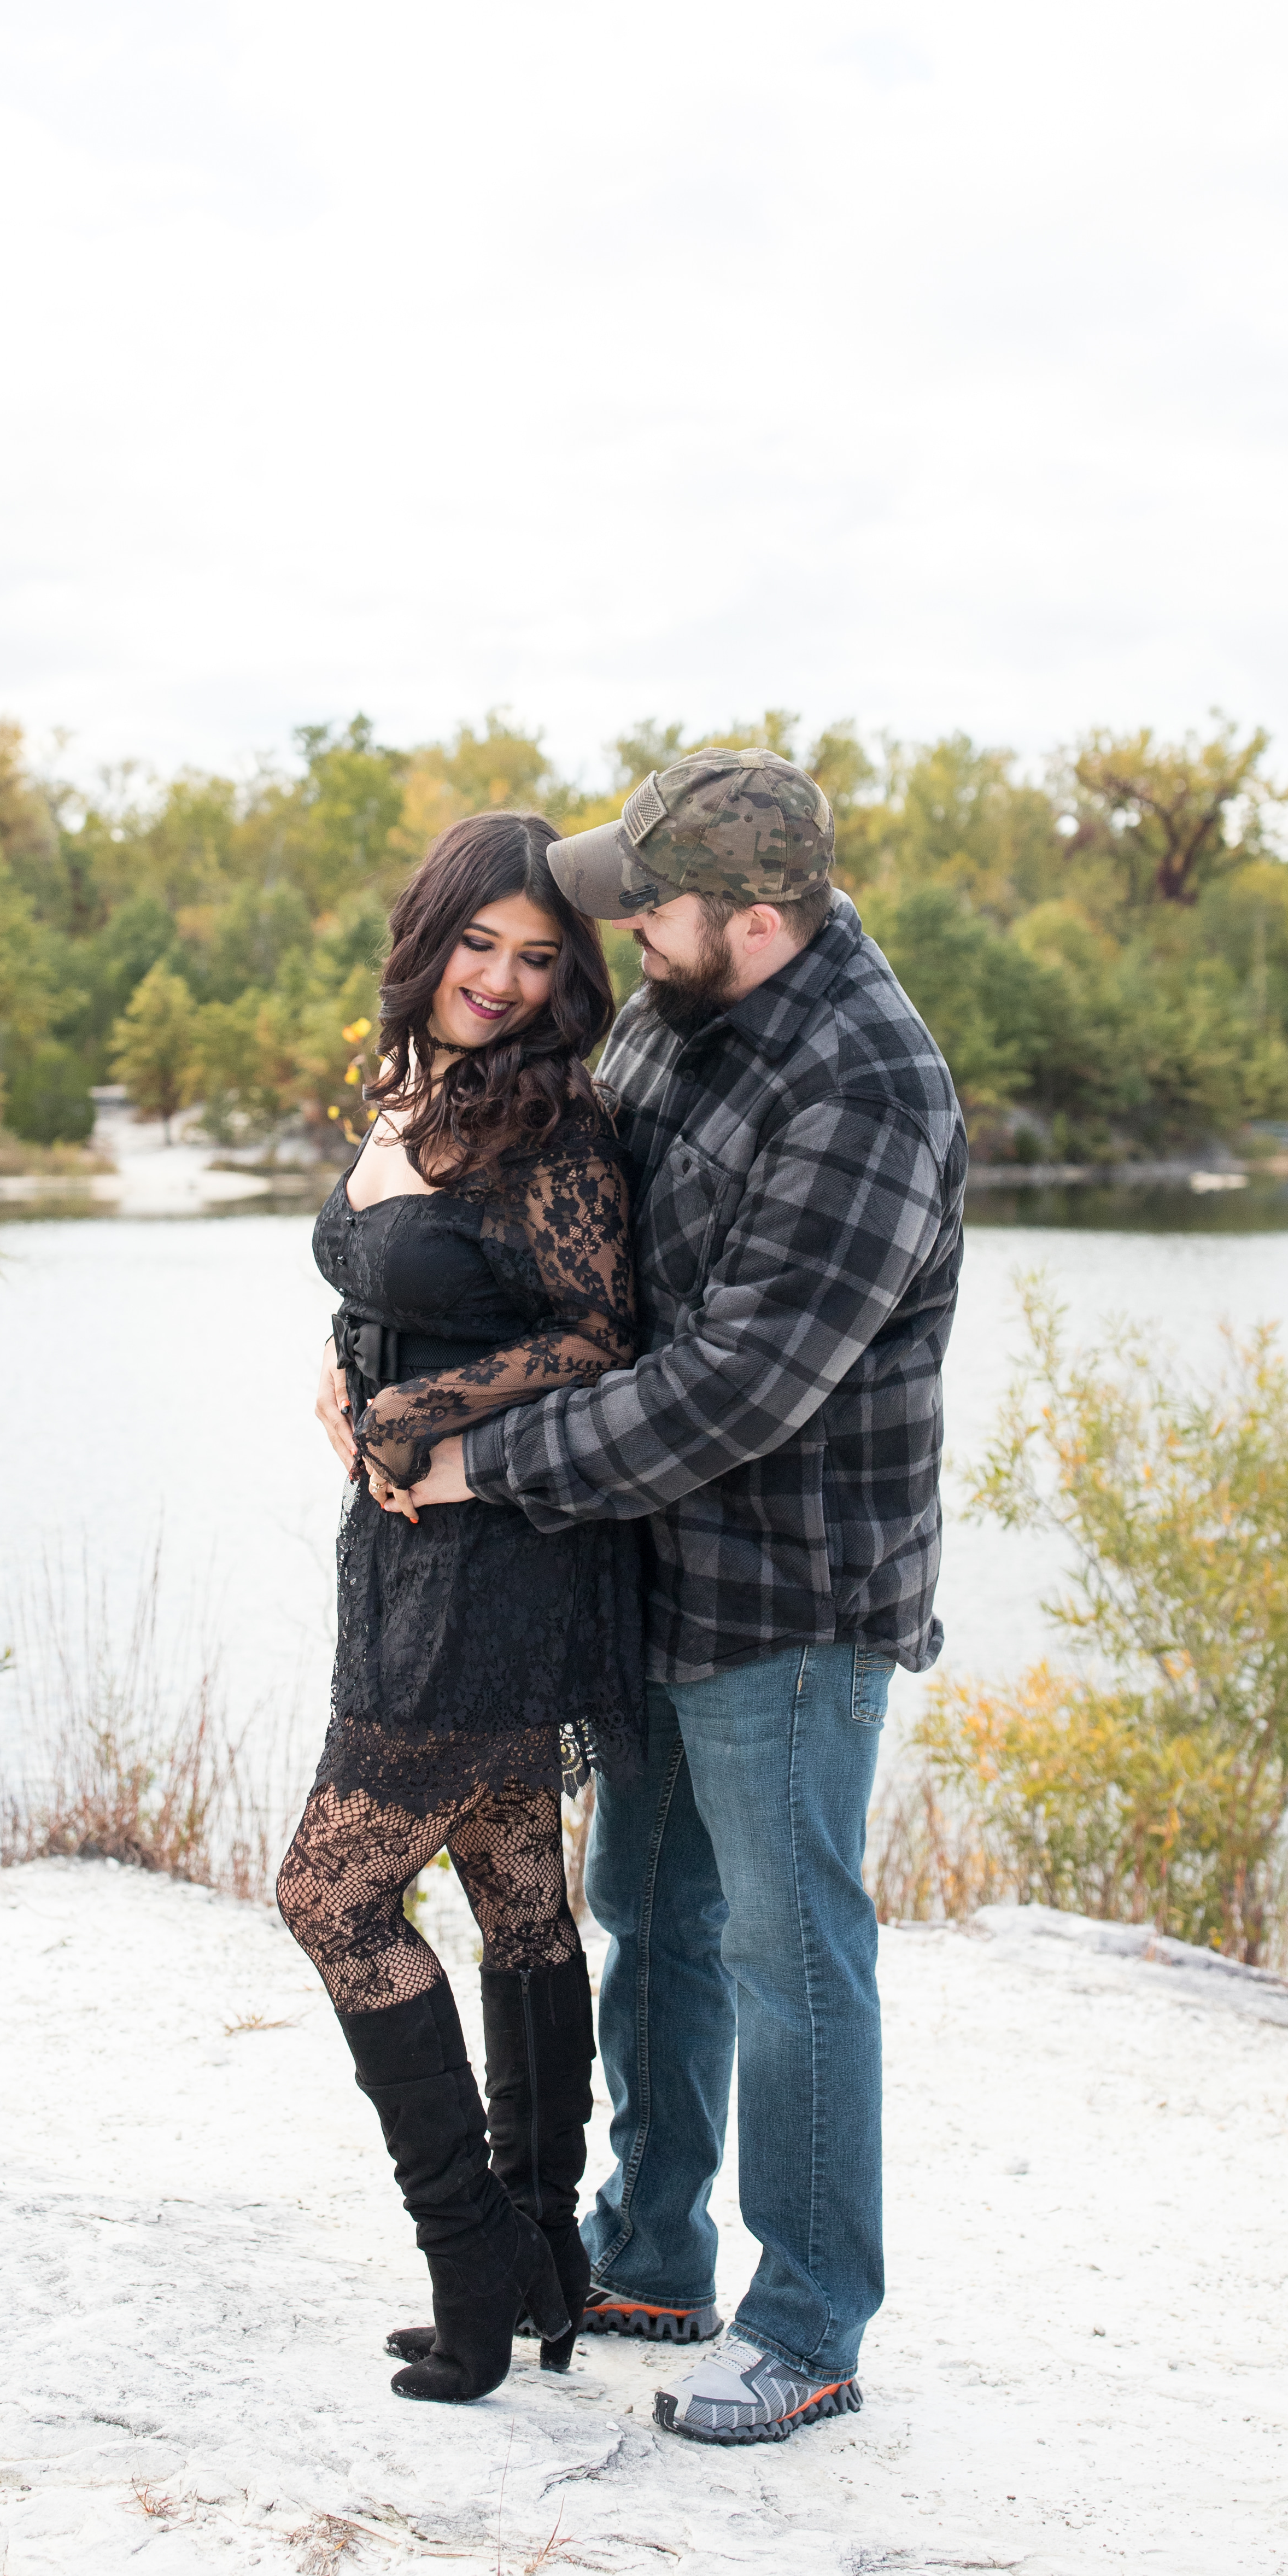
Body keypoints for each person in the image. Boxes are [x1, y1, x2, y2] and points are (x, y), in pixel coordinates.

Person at [375, 746, 964, 2446]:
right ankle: (648, 2254)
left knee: (792, 1956)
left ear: (756, 918)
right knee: (647, 1907)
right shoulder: (682, 1005)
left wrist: (481, 1463)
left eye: (652, 908)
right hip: (648, 1567)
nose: (623, 929)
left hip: (793, 1595)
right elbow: (585, 1241)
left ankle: (809, 2331)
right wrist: (387, 1359)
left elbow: (731, 1388)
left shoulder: (866, 1092)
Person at [280, 810, 645, 2406]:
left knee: (330, 1897)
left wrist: (423, 1412)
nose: (500, 981)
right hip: (401, 1553)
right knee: (516, 1897)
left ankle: (471, 2254)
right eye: (478, 945)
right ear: (428, 938)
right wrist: (342, 1371)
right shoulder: (412, 1087)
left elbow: (595, 1334)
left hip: (496, 1561)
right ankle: (544, 2249)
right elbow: (393, 1279)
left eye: (537, 958)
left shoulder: (553, 1122)